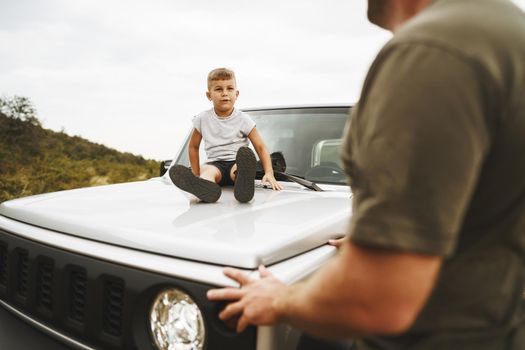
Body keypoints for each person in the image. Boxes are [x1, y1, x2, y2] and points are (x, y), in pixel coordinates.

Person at [207, 0, 525, 348]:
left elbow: (382, 294)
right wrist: (378, 235)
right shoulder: (504, 30)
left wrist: (280, 300)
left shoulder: (432, 50)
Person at [170, 68, 282, 203]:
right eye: (218, 89)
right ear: (209, 95)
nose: (224, 93)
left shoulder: (244, 119)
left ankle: (243, 184)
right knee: (207, 172)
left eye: (229, 88)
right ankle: (203, 186)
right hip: (214, 164)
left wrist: (269, 172)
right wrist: (196, 172)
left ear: (237, 93)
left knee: (239, 168)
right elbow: (193, 146)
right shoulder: (202, 119)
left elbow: (260, 147)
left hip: (236, 162)